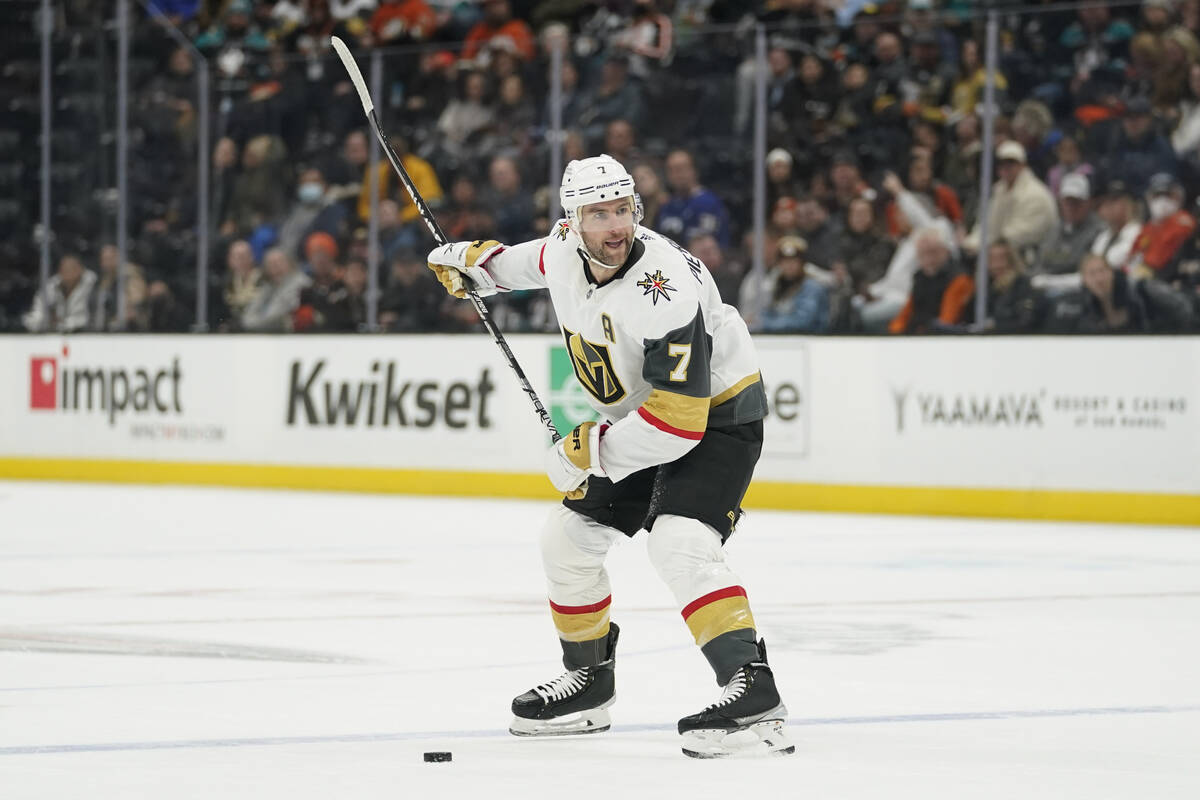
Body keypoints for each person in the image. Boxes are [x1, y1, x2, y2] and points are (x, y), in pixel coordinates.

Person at [426, 155, 793, 759]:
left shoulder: (663, 287)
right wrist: (470, 264)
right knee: (566, 538)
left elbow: (680, 423)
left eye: (622, 209)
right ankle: (589, 683)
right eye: (598, 214)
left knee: (678, 542)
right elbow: (513, 264)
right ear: (572, 223)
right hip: (643, 419)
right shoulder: (563, 252)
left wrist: (588, 451)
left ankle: (753, 693)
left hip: (718, 416)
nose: (615, 225)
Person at [23, 253, 97, 333]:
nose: (68, 272)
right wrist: (42, 321)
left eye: (72, 268)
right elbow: (37, 313)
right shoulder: (50, 287)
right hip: (53, 334)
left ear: (81, 269)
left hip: (86, 334)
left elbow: (89, 317)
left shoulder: (93, 286)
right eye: (64, 269)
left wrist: (65, 324)